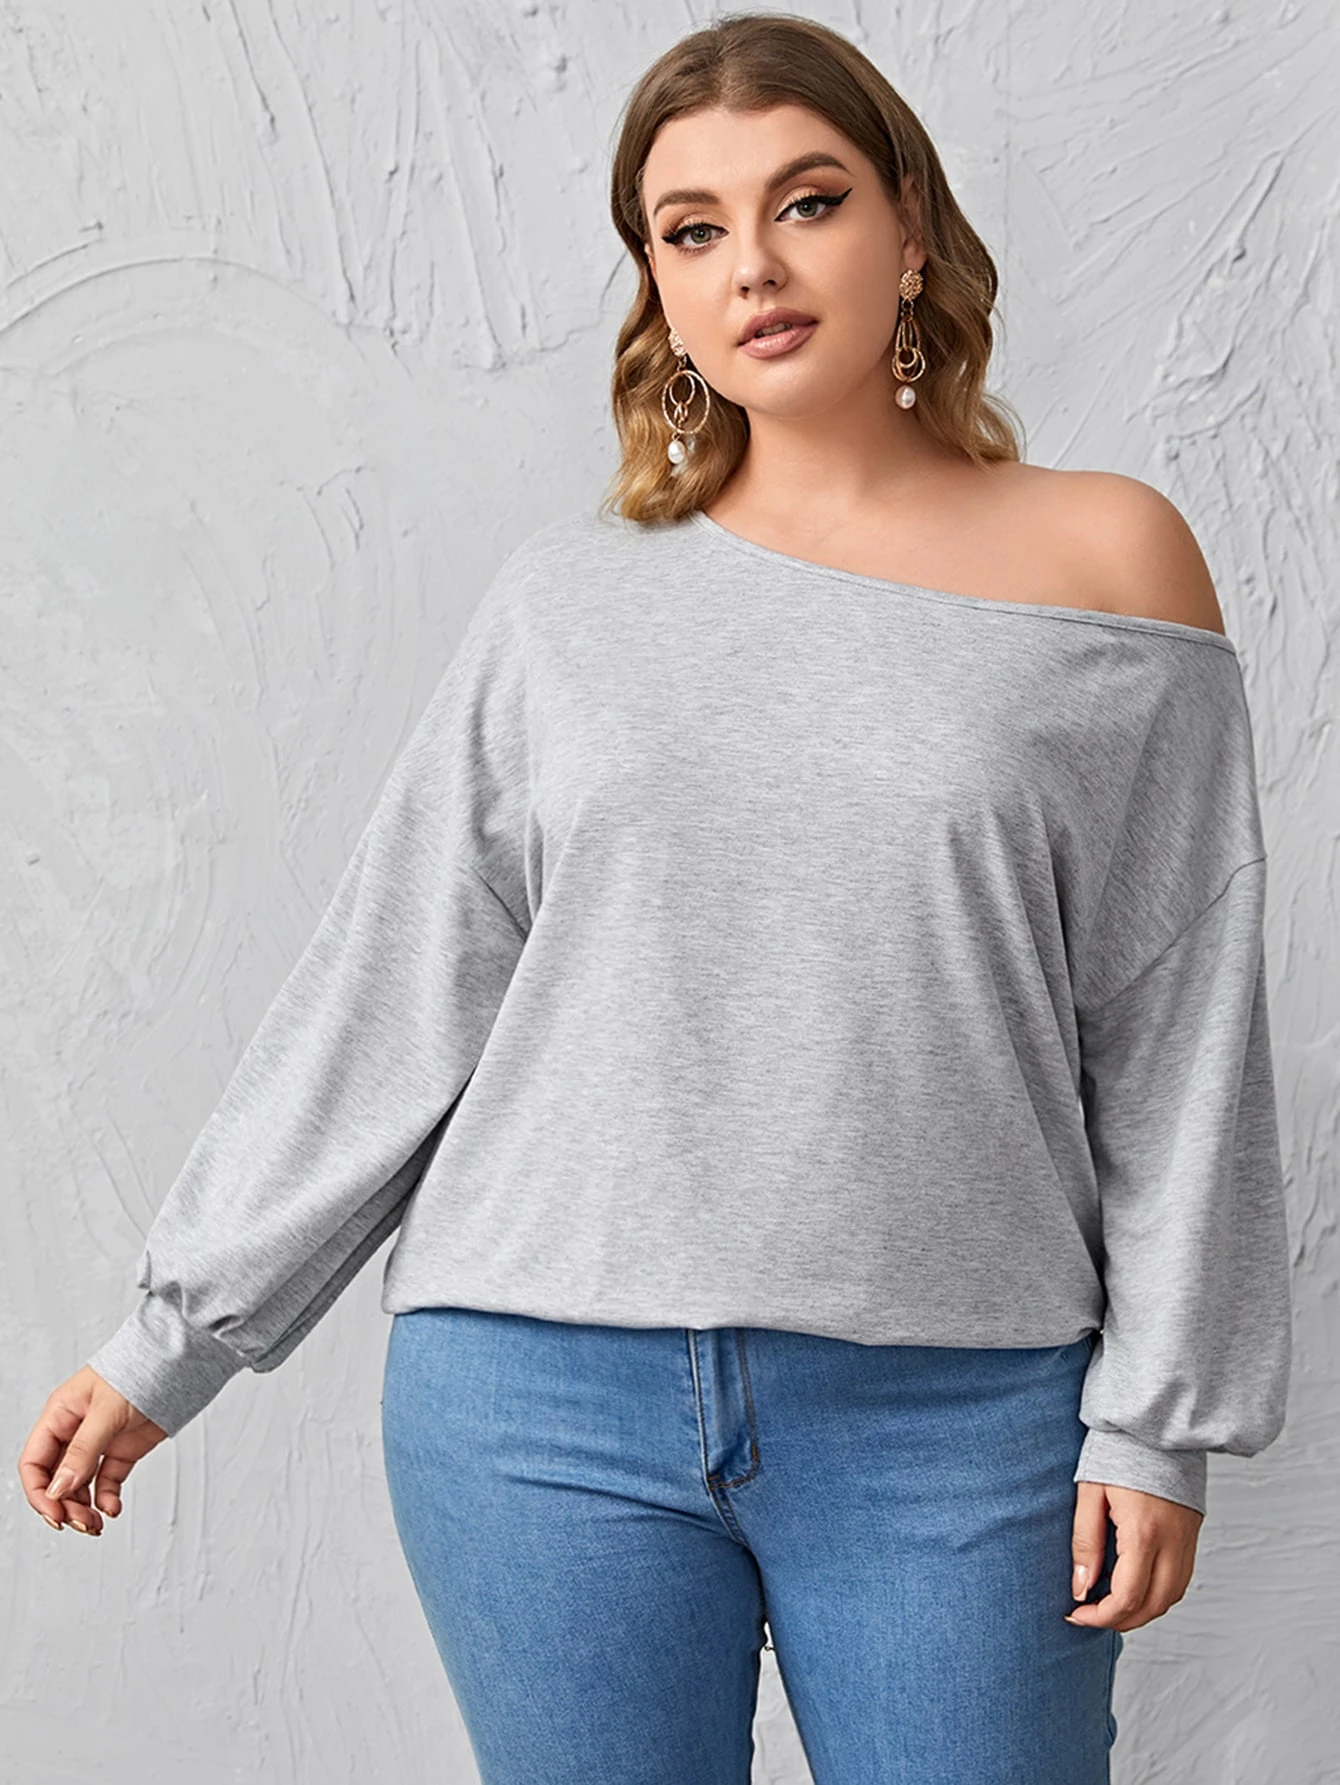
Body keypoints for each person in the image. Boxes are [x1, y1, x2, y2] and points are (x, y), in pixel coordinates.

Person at [19, 13, 1292, 1783]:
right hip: (536, 1400)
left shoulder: (1108, 561)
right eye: (692, 230)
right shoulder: (569, 606)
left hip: (962, 1411)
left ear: (911, 228)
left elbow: (1177, 1028)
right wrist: (170, 1343)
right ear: (661, 293)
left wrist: (1160, 1425)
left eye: (808, 201)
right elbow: (403, 985)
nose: (753, 265)